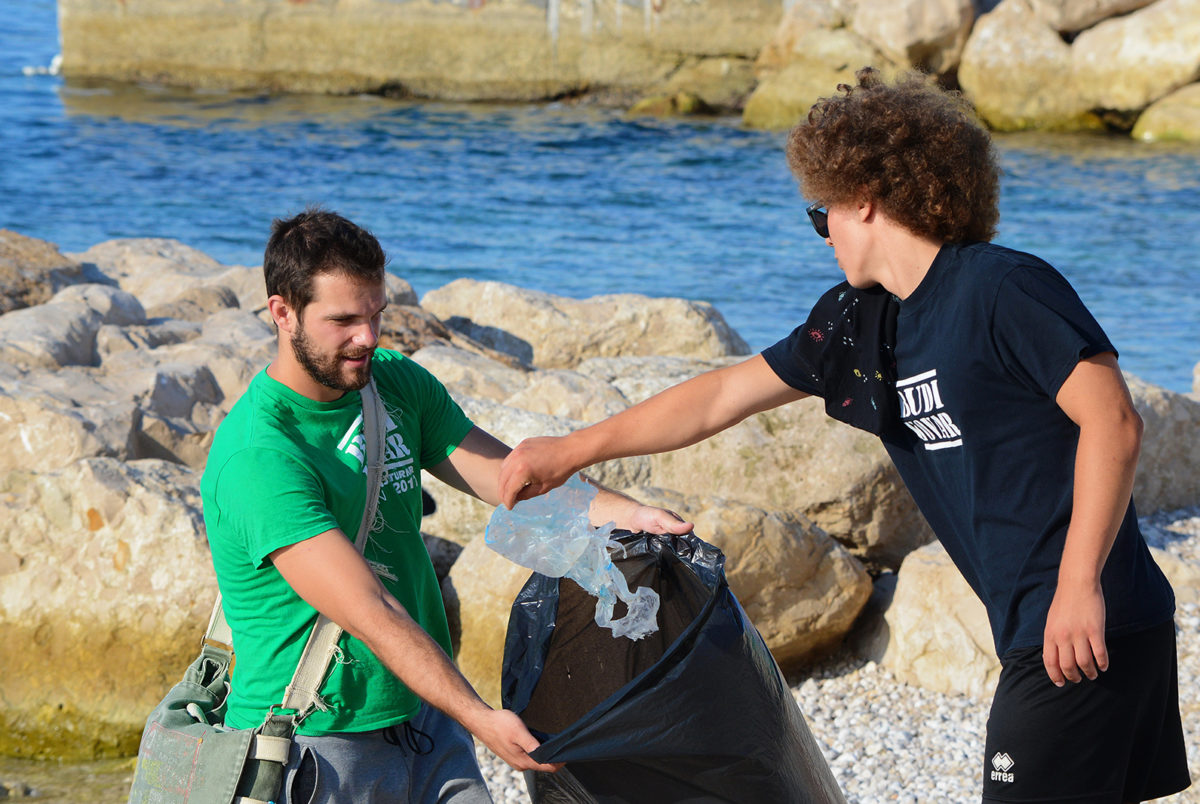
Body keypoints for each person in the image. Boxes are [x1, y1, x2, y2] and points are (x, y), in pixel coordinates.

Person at [497, 69, 1191, 804]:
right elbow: (722, 395)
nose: (822, 231)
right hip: (1041, 623)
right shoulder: (860, 323)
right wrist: (572, 450)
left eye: (821, 211)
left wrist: (1080, 587)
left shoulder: (1001, 288)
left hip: (1088, 619)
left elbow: (1114, 422)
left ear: (865, 197)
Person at [200, 208, 691, 803]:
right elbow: (368, 608)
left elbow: (509, 478)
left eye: (376, 314)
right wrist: (481, 717)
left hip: (425, 716)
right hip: (315, 741)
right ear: (282, 312)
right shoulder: (260, 456)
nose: (368, 338)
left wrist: (626, 514)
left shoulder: (392, 383)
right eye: (344, 320)